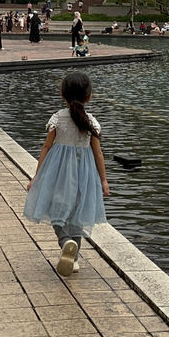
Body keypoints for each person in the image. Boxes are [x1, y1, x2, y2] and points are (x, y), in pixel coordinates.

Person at [23, 72, 109, 276]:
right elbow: (98, 153)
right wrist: (103, 180)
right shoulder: (91, 123)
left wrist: (37, 176)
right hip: (84, 175)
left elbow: (46, 146)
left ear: (63, 94)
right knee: (77, 216)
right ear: (89, 96)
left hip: (58, 172)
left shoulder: (57, 119)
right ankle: (74, 258)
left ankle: (65, 242)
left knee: (55, 210)